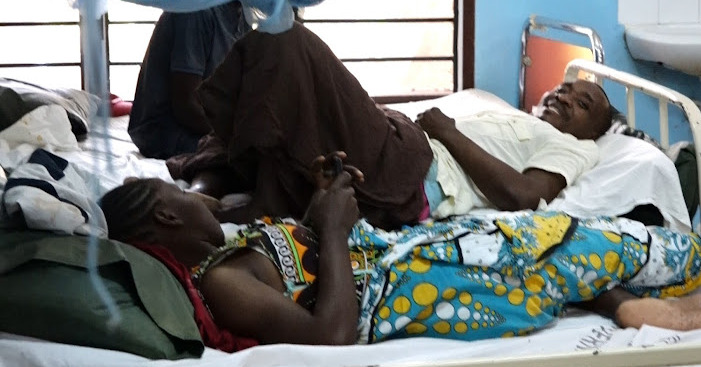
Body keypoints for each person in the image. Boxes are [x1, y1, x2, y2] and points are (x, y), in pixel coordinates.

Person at [99, 153, 701, 347]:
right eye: (174, 191)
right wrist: (327, 227)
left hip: (402, 249)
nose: (191, 194)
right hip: (415, 280)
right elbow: (328, 335)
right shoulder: (223, 281)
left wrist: (330, 201)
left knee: (575, 240)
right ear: (162, 212)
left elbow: (318, 250)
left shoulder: (234, 240)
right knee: (592, 238)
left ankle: (624, 299)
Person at [166, 23, 613, 230]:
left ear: (594, 128)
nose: (565, 95)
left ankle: (256, 200)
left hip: (408, 168)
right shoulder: (513, 115)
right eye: (565, 88)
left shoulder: (576, 149)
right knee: (274, 91)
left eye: (582, 102)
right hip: (401, 139)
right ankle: (204, 193)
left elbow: (521, 196)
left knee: (286, 41)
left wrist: (446, 131)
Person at [128, 1, 250, 159]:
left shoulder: (243, 15)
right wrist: (233, 138)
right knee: (242, 161)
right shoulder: (196, 10)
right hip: (165, 131)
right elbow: (185, 104)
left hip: (201, 123)